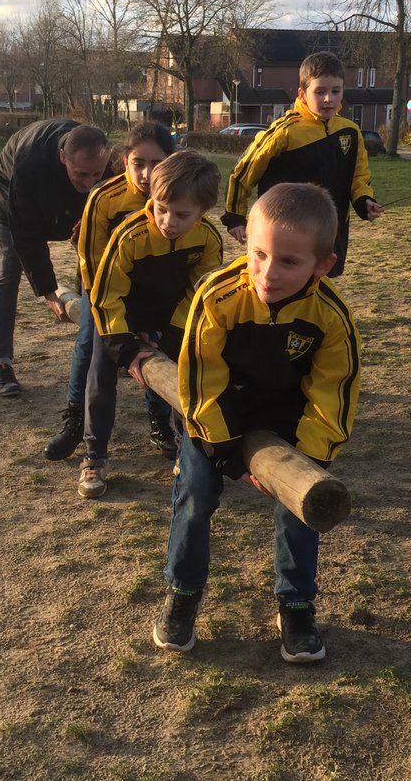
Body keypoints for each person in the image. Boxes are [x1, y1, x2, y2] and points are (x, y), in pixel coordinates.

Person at [151, 183, 360, 663]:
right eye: (259, 255)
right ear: (246, 243)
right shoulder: (218, 296)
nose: (268, 273)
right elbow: (201, 376)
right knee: (195, 496)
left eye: (289, 262)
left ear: (322, 265)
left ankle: (297, 604)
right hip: (215, 420)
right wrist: (222, 449)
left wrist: (308, 454)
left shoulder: (331, 317)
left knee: (300, 505)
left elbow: (334, 392)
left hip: (286, 424)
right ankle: (182, 594)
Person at [80, 150, 224, 499]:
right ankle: (94, 455)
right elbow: (107, 293)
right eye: (161, 208)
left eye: (181, 214)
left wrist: (170, 333)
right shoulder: (129, 236)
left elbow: (201, 291)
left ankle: (186, 449)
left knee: (186, 379)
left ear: (203, 211)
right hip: (121, 318)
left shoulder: (207, 238)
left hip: (170, 318)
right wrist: (125, 346)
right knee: (100, 376)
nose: (167, 221)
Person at [44, 122, 176, 460]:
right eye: (139, 163)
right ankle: (76, 419)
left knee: (160, 347)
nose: (147, 174)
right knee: (89, 342)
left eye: (157, 164)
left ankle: (160, 421)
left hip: (157, 294)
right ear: (125, 159)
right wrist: (103, 301)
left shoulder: (176, 198)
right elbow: (91, 256)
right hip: (106, 291)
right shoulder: (105, 196)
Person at [221, 51, 384, 276]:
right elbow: (244, 171)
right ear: (302, 93)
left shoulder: (350, 131)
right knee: (284, 287)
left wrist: (365, 201)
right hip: (285, 232)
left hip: (329, 231)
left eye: (335, 91)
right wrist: (235, 217)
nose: (329, 99)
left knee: (319, 287)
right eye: (320, 92)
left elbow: (359, 177)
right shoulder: (284, 131)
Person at [0, 119, 111, 396]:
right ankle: (2, 362)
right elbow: (26, 233)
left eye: (97, 174)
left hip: (63, 203)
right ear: (62, 157)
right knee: (10, 267)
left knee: (95, 255)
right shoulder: (29, 163)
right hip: (13, 200)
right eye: (81, 174)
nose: (90, 183)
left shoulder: (108, 166)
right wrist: (48, 291)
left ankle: (96, 346)